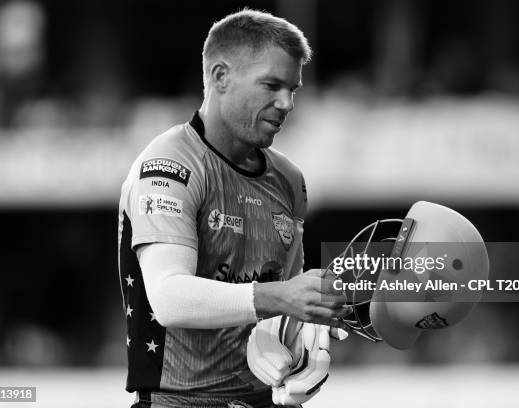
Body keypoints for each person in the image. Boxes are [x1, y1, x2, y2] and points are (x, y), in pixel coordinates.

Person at [118, 9, 348, 408]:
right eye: (272, 86)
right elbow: (169, 298)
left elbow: (282, 309)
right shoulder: (170, 166)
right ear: (220, 77)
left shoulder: (289, 180)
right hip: (177, 402)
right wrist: (282, 297)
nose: (286, 103)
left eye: (293, 90)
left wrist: (305, 350)